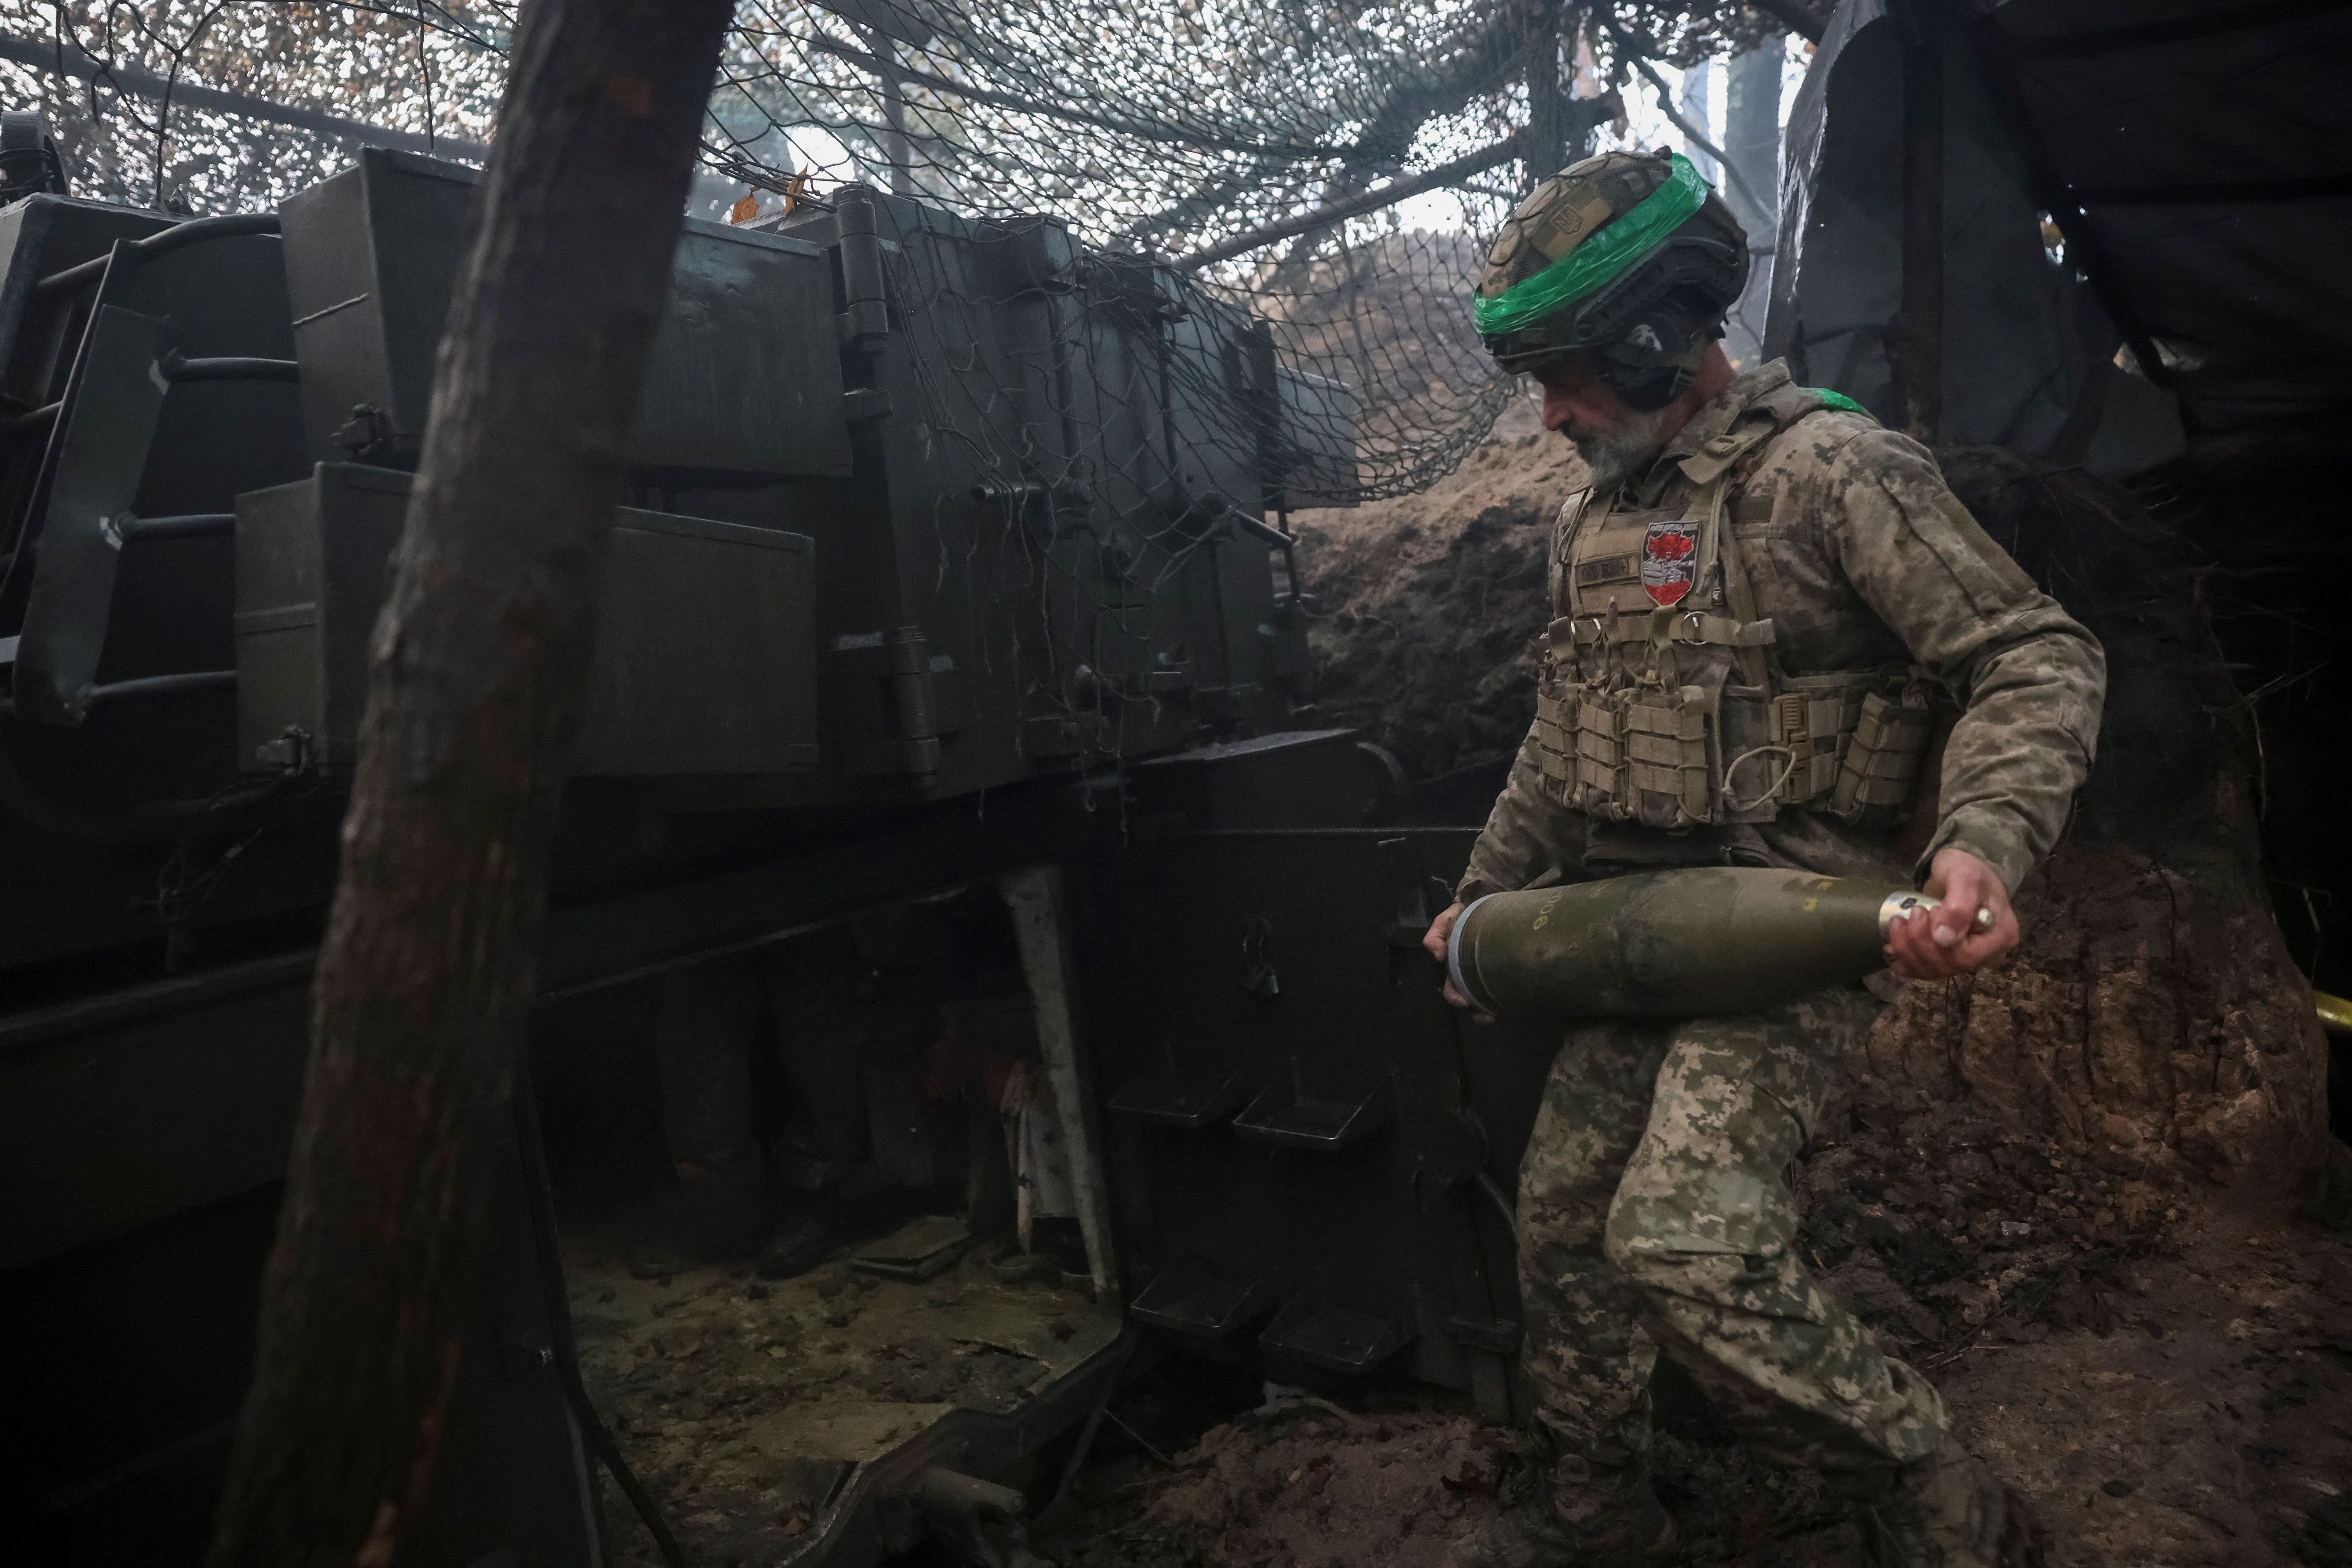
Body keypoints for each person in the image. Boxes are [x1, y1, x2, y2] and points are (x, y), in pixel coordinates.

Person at [1422, 149, 2105, 1568]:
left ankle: (1939, 1501)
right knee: (1564, 1227)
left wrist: (1983, 843)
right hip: (1634, 928)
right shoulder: (1592, 522)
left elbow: (2031, 656)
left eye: (1565, 377)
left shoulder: (1835, 472)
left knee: (1683, 1242)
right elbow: (1563, 735)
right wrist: (1483, 899)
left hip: (1798, 928)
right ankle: (1596, 1509)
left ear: (1650, 341)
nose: (1549, 416)